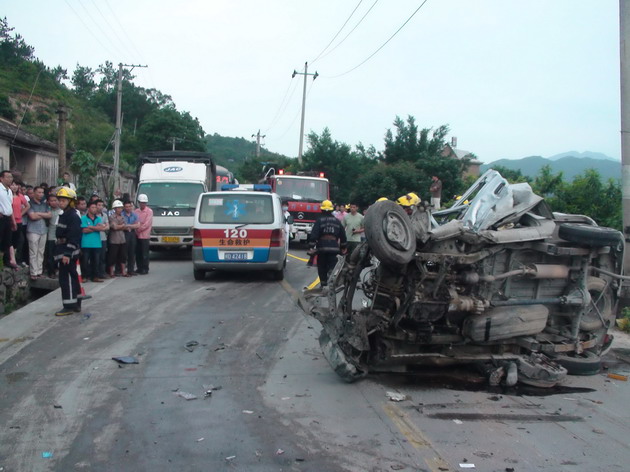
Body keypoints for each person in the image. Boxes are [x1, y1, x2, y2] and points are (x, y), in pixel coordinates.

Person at [54, 187, 82, 316]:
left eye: (64, 200)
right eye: (60, 200)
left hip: (68, 251)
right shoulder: (64, 214)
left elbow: (74, 236)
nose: (61, 202)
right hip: (63, 249)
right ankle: (76, 303)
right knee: (71, 277)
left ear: (70, 201)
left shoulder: (73, 216)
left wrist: (67, 254)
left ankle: (69, 306)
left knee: (67, 279)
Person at [308, 199, 347, 289]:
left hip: (321, 248)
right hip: (334, 248)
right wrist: (343, 247)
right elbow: (343, 236)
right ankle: (331, 285)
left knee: (322, 267)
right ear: (331, 210)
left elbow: (314, 235)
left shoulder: (319, 220)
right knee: (333, 267)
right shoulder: (337, 221)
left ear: (321, 210)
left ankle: (323, 284)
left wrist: (311, 246)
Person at [25, 186, 52, 280]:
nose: (41, 194)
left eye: (42, 192)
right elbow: (32, 216)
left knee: (41, 252)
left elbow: (49, 215)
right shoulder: (29, 204)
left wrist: (39, 214)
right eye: (39, 192)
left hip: (43, 230)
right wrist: (43, 215)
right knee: (33, 251)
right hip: (32, 230)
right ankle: (33, 272)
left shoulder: (45, 204)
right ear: (34, 193)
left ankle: (39, 271)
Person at [81, 201, 107, 283]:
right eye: (93, 207)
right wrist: (96, 228)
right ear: (88, 208)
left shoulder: (99, 218)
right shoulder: (83, 218)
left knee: (96, 261)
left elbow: (102, 228)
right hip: (86, 243)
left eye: (95, 207)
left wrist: (91, 227)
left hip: (97, 243)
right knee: (85, 261)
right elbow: (84, 230)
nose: (94, 209)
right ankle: (84, 276)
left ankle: (95, 276)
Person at [107, 200, 130, 277]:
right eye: (118, 208)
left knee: (123, 256)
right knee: (112, 256)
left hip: (122, 239)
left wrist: (121, 226)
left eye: (121, 208)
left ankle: (123, 271)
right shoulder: (111, 217)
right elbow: (114, 227)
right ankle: (111, 272)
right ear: (115, 209)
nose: (120, 209)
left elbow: (126, 227)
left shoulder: (123, 217)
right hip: (114, 240)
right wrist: (122, 226)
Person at [0, 171, 17, 268]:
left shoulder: (9, 190)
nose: (10, 179)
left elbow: (9, 206)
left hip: (8, 218)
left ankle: (7, 260)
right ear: (1, 178)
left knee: (7, 240)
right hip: (1, 217)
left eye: (11, 177)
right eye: (8, 177)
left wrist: (13, 221)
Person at [10, 180, 29, 266]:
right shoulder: (7, 196)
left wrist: (20, 214)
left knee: (20, 240)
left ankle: (18, 259)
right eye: (12, 185)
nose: (14, 187)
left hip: (19, 221)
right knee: (10, 240)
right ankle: (10, 259)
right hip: (9, 221)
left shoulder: (20, 196)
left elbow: (27, 206)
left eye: (16, 185)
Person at [134, 194, 153, 275]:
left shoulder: (149, 211)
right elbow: (135, 221)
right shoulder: (136, 211)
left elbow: (147, 223)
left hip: (144, 235)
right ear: (139, 203)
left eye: (144, 203)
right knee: (138, 253)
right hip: (137, 235)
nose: (143, 204)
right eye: (141, 203)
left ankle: (145, 268)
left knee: (144, 253)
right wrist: (136, 229)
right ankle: (139, 267)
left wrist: (138, 228)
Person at [45, 193, 62, 278]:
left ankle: (58, 270)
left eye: (55, 200)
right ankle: (51, 272)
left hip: (60, 236)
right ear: (48, 202)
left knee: (59, 255)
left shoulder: (62, 211)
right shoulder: (47, 210)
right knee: (51, 255)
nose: (53, 202)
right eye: (51, 201)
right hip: (50, 235)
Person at [122, 201, 140, 275]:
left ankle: (131, 270)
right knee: (124, 252)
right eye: (126, 207)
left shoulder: (134, 215)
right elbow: (122, 225)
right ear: (124, 207)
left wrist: (129, 226)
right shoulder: (122, 215)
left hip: (132, 233)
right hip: (124, 233)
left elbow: (138, 225)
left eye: (130, 206)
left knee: (132, 252)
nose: (128, 208)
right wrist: (131, 225)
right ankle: (122, 270)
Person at [95, 199, 110, 278]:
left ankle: (102, 273)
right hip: (95, 239)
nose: (100, 207)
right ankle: (95, 274)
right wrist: (102, 226)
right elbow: (94, 227)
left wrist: (101, 227)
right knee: (95, 257)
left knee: (102, 257)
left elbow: (107, 226)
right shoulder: (92, 215)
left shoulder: (104, 215)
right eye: (99, 205)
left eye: (102, 205)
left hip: (103, 238)